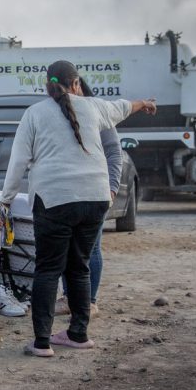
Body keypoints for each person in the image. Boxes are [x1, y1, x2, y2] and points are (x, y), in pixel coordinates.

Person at [0, 60, 156, 357]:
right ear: (76, 83)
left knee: (48, 269)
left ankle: (42, 342)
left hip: (55, 199)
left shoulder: (34, 114)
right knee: (79, 266)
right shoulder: (94, 106)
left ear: (47, 85)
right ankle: (78, 334)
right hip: (95, 199)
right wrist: (144, 103)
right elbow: (122, 107)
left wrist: (5, 201)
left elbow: (18, 161)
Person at [56, 85, 123, 318]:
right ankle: (69, 298)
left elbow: (114, 153)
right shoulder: (58, 115)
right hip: (67, 193)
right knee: (66, 246)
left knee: (90, 248)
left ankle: (89, 302)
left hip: (96, 191)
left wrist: (112, 188)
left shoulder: (98, 113)